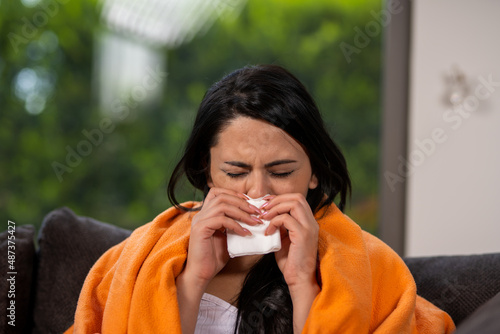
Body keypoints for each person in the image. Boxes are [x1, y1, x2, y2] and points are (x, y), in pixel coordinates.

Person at [65, 65, 455, 333]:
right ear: (206, 170)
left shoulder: (368, 267)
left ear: (315, 172)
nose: (258, 192)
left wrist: (303, 282)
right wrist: (193, 278)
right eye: (235, 173)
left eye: (282, 172)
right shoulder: (137, 260)